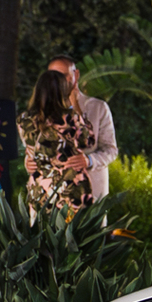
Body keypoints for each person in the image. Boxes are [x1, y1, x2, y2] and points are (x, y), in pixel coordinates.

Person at [22, 67, 97, 213]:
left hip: (40, 186)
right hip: (71, 186)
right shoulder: (71, 118)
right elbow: (88, 141)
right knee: (72, 231)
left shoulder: (24, 120)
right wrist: (75, 106)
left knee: (42, 231)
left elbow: (31, 149)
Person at [48, 55, 117, 204]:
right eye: (53, 76)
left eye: (64, 76)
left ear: (76, 75)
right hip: (53, 198)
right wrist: (29, 161)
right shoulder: (43, 110)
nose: (58, 81)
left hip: (89, 197)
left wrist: (89, 160)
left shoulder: (98, 108)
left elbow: (111, 150)